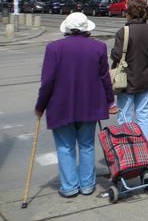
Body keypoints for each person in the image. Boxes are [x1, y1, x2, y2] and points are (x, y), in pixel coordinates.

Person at [35, 12, 113, 198]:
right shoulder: (99, 47)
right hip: (89, 105)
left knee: (65, 146)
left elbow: (48, 81)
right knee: (87, 145)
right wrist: (110, 101)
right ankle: (87, 185)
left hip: (61, 105)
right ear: (86, 28)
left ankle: (69, 187)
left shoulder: (53, 48)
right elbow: (105, 78)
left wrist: (40, 105)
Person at [111, 0, 148, 142]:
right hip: (146, 79)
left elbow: (116, 55)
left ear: (130, 13)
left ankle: (128, 150)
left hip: (126, 81)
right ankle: (144, 149)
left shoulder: (123, 32)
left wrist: (113, 52)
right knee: (143, 115)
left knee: (125, 116)